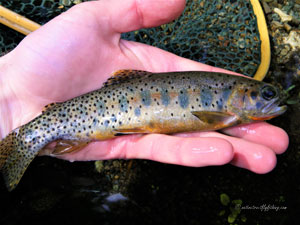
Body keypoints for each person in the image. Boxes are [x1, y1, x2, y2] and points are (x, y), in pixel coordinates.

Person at [0, 0, 288, 174]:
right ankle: (23, 144)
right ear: (240, 94)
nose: (271, 100)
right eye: (265, 95)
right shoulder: (227, 114)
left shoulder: (229, 111)